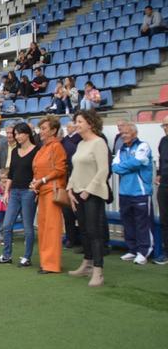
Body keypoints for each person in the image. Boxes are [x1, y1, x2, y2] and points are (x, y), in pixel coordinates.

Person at [67, 110, 110, 286]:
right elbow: (75, 169)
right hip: (77, 192)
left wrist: (88, 190)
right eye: (76, 121)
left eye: (79, 121)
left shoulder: (99, 143)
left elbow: (103, 170)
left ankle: (98, 271)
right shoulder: (81, 144)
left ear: (90, 124)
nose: (76, 124)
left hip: (92, 194)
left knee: (94, 231)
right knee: (84, 230)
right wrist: (69, 189)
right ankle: (87, 263)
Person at [0, 122, 39, 267]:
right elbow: (11, 173)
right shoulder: (14, 152)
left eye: (19, 133)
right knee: (7, 225)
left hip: (28, 193)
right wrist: (6, 191)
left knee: (28, 226)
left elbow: (38, 171)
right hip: (14, 192)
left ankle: (26, 257)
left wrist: (35, 188)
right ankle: (6, 256)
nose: (16, 136)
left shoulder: (37, 150)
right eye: (15, 134)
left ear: (27, 134)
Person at [30, 116, 68, 274]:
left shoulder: (56, 146)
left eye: (44, 128)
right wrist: (35, 181)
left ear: (53, 130)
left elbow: (60, 169)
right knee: (44, 228)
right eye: (41, 128)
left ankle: (51, 264)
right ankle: (46, 261)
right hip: (42, 191)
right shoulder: (42, 148)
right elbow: (37, 169)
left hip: (52, 191)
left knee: (52, 228)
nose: (41, 131)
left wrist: (42, 180)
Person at [112, 122, 154, 265]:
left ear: (134, 133)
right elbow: (115, 168)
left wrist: (126, 165)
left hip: (140, 192)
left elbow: (138, 162)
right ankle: (132, 249)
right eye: (122, 133)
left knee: (142, 223)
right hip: (125, 192)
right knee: (127, 222)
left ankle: (144, 251)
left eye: (126, 133)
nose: (123, 136)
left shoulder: (143, 146)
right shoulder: (121, 150)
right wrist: (129, 165)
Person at [61, 121, 82, 249]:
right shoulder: (65, 142)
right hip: (67, 182)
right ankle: (71, 238)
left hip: (75, 182)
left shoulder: (71, 144)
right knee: (67, 213)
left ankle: (79, 240)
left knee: (78, 213)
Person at [157, 120, 168, 265]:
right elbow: (161, 159)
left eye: (166, 125)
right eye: (164, 125)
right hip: (165, 184)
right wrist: (159, 173)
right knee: (165, 220)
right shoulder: (163, 141)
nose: (165, 128)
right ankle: (167, 252)